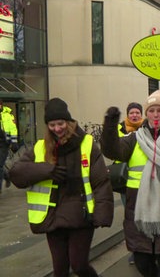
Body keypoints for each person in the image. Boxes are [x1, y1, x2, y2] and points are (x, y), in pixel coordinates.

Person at [9, 98, 114, 277]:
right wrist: (46, 170)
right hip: (53, 216)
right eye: (52, 125)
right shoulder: (40, 147)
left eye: (60, 123)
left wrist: (102, 213)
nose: (57, 129)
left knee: (79, 265)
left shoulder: (87, 143)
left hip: (81, 216)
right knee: (60, 270)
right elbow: (16, 173)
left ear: (68, 121)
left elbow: (100, 181)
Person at [101, 90, 160, 277]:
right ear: (146, 114)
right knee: (142, 261)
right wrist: (109, 126)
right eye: (152, 110)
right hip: (139, 209)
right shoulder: (134, 139)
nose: (156, 115)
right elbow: (112, 151)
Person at [117, 101, 144, 264]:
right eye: (131, 113)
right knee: (130, 217)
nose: (134, 115)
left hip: (141, 181)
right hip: (124, 181)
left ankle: (144, 247)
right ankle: (134, 249)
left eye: (137, 113)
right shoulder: (119, 130)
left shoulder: (145, 129)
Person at [0, 99, 19, 191]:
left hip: (4, 143)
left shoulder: (8, 116)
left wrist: (14, 142)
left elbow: (13, 129)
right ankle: (6, 176)